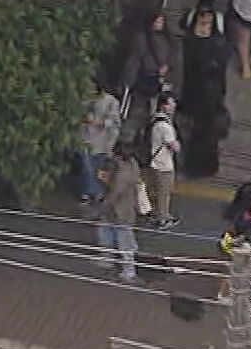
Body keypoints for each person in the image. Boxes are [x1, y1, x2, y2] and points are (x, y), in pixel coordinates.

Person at [179, 2, 230, 178]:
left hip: (204, 96)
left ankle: (198, 166)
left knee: (202, 136)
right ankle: (202, 166)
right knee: (203, 136)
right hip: (201, 93)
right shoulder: (193, 35)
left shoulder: (216, 40)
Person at [95, 149, 143, 283]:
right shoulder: (133, 165)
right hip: (125, 210)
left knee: (124, 241)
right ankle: (108, 260)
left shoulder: (121, 173)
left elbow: (114, 193)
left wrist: (103, 204)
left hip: (119, 212)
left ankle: (128, 270)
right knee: (109, 234)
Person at [120, 12, 176, 110]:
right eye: (157, 21)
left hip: (160, 78)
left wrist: (167, 66)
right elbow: (137, 58)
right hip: (144, 77)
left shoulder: (168, 40)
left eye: (161, 21)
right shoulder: (143, 38)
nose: (159, 24)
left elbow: (172, 56)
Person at [76, 86, 121, 204]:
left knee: (95, 169)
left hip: (101, 141)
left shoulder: (111, 101)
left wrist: (99, 122)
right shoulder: (82, 99)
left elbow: (115, 122)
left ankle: (88, 193)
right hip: (84, 138)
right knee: (86, 167)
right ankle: (96, 192)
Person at [145, 92, 181, 229]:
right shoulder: (164, 126)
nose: (174, 106)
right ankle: (162, 219)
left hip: (155, 161)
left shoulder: (155, 119)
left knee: (157, 190)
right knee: (164, 193)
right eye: (171, 103)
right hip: (163, 164)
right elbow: (174, 146)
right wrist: (178, 145)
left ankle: (158, 214)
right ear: (163, 105)